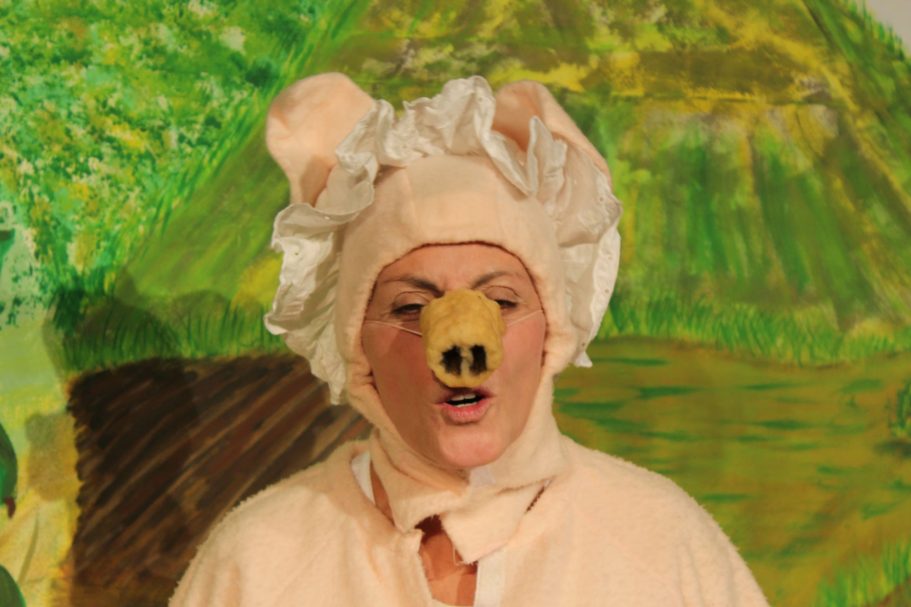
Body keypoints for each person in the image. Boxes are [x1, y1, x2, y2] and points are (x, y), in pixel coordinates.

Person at [170, 73, 769, 606]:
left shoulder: (663, 545)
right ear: (356, 345)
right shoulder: (260, 564)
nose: (461, 349)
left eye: (502, 301)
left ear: (552, 328)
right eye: (411, 307)